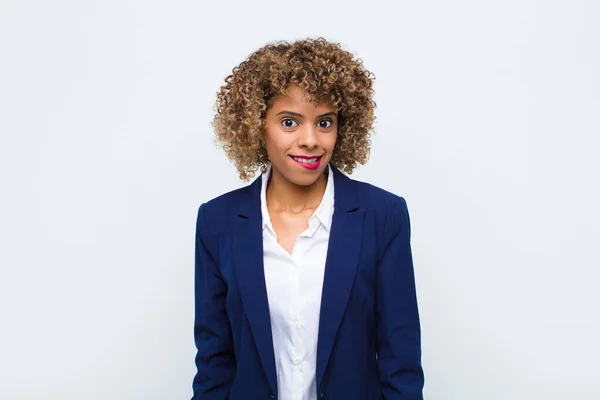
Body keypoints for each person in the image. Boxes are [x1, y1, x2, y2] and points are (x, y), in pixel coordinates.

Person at [192, 37, 424, 400]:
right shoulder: (217, 221)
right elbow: (214, 362)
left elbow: (401, 361)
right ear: (256, 125)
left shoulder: (382, 216)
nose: (310, 140)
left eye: (325, 122)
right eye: (289, 122)